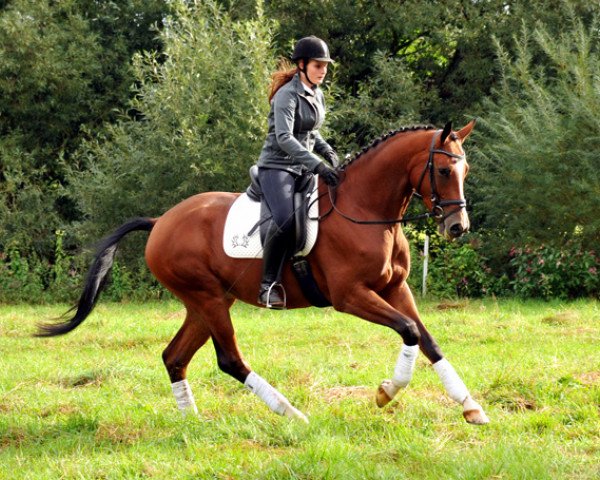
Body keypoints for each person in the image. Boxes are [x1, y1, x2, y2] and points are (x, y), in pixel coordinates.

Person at [255, 36, 340, 309]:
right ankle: (268, 285)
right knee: (285, 219)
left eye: (325, 66)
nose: (323, 70)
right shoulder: (286, 95)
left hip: (303, 167)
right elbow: (284, 138)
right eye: (318, 65)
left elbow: (311, 131)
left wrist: (328, 152)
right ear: (302, 65)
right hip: (276, 167)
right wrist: (318, 165)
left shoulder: (317, 93)